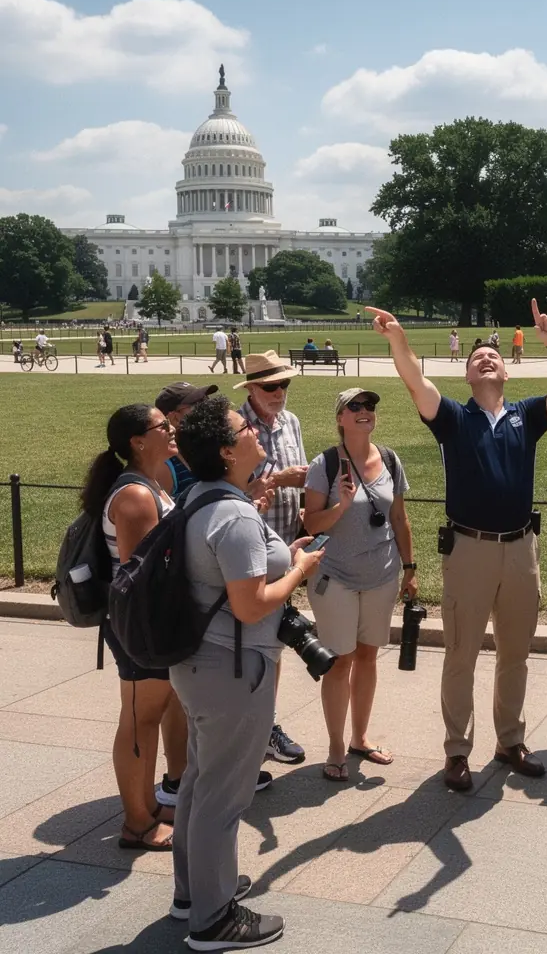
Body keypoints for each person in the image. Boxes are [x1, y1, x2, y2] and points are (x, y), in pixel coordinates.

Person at [364, 299, 547, 791]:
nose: (486, 358)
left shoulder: (526, 415)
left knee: (515, 653)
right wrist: (400, 341)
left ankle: (510, 740)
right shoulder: (452, 418)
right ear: (467, 377)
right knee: (461, 653)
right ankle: (457, 750)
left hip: (521, 548)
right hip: (468, 549)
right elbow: (415, 383)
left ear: (507, 371)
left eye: (493, 356)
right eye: (476, 359)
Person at [170, 395, 325, 950]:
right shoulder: (232, 514)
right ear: (226, 450)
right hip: (231, 668)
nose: (256, 433)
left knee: (199, 781)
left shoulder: (199, 499)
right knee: (224, 795)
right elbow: (253, 605)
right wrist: (301, 569)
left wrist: (284, 555)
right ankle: (213, 921)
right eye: (245, 429)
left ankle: (193, 891)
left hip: (199, 665)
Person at [80, 404, 181, 853]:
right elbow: (143, 575)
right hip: (142, 627)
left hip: (148, 625)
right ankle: (136, 823)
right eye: (163, 426)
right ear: (139, 441)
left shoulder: (151, 484)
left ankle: (147, 806)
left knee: (147, 717)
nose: (172, 429)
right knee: (139, 721)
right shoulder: (137, 496)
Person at [303, 387, 417, 783]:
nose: (365, 412)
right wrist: (341, 505)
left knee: (368, 657)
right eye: (355, 407)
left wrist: (410, 568)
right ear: (340, 418)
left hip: (382, 576)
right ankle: (336, 747)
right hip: (335, 578)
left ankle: (360, 738)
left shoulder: (389, 459)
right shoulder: (326, 464)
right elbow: (311, 524)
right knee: (340, 662)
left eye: (370, 406)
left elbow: (399, 519)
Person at [236, 352, 311, 766]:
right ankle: (250, 730)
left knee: (274, 644)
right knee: (247, 648)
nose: (279, 393)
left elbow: (298, 482)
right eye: (270, 386)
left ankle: (265, 725)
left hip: (284, 548)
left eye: (284, 385)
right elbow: (231, 491)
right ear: (250, 388)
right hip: (246, 551)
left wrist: (304, 509)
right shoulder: (236, 428)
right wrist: (280, 480)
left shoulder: (291, 422)